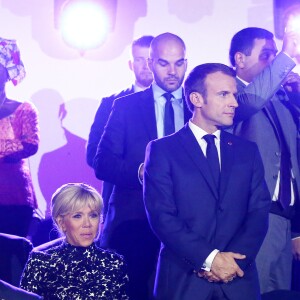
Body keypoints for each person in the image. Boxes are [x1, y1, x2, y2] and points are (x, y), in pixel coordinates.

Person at [143, 63, 271, 300]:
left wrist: (230, 262)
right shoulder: (163, 151)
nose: (234, 102)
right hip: (185, 281)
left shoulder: (247, 151)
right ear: (196, 99)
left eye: (233, 94)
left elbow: (259, 212)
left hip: (238, 279)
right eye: (224, 94)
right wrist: (210, 259)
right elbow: (162, 217)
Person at [93, 32, 192, 300]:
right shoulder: (126, 107)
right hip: (136, 220)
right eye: (164, 63)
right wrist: (141, 172)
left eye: (179, 63)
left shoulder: (198, 105)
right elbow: (102, 162)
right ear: (150, 63)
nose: (173, 71)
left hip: (190, 223)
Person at [229, 27, 300, 293]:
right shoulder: (231, 93)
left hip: (283, 218)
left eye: (275, 56)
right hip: (254, 217)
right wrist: (287, 56)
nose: (273, 62)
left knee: (280, 294)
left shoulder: (280, 99)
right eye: (267, 55)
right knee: (250, 292)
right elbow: (249, 103)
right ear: (240, 59)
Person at [20, 183, 129, 300]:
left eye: (93, 215)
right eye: (78, 216)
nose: (87, 224)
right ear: (61, 222)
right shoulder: (40, 262)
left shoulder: (114, 263)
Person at [86, 35, 154, 222]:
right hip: (123, 205)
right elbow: (94, 154)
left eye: (149, 59)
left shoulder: (179, 104)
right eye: (139, 59)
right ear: (130, 64)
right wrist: (137, 170)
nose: (145, 65)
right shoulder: (111, 103)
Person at [0, 37, 39, 238]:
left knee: (11, 262)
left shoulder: (24, 108)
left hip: (14, 195)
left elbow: (30, 144)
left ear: (8, 72)